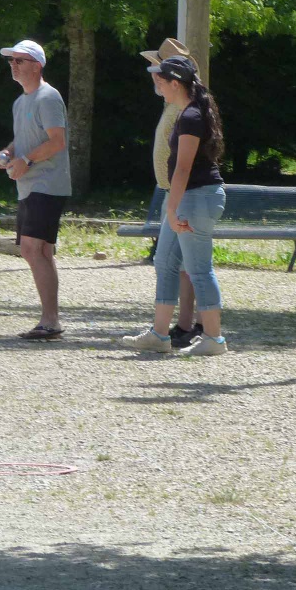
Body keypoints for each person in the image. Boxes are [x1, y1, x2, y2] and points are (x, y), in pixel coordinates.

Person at [121, 55, 229, 356]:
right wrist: (172, 204)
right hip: (184, 197)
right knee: (165, 263)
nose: (157, 85)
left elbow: (183, 168)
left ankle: (214, 338)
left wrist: (171, 208)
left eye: (161, 80)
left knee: (198, 269)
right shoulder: (185, 112)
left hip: (195, 198)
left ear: (176, 83)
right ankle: (159, 335)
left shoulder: (192, 116)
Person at [0, 39, 71, 340]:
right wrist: (8, 153)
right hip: (29, 186)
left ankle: (50, 321)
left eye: (20, 60)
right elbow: (23, 139)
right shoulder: (20, 102)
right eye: (11, 60)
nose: (13, 65)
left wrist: (25, 160)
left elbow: (57, 141)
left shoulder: (48, 97)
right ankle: (50, 320)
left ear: (37, 65)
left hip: (47, 184)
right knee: (41, 251)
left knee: (31, 249)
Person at [140, 38, 202, 350]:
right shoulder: (174, 105)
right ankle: (184, 325)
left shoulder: (185, 109)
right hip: (174, 191)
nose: (154, 76)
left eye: (158, 70)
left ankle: (189, 326)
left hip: (183, 193)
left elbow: (186, 160)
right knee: (181, 263)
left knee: (185, 264)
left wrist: (174, 203)